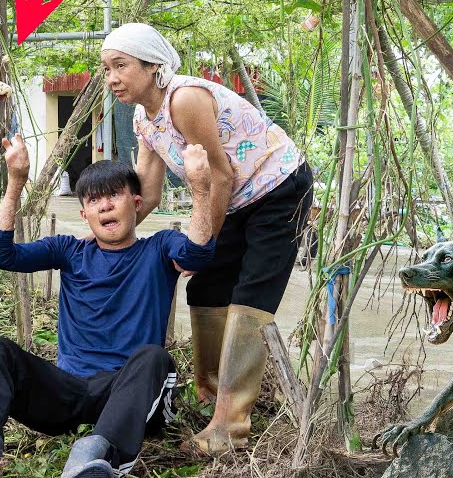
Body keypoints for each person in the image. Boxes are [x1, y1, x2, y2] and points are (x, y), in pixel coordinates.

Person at [0, 134, 218, 478]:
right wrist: (16, 181)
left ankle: (91, 461)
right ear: (84, 212)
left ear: (136, 203)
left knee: (155, 358)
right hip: (69, 391)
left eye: (114, 195)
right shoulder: (69, 251)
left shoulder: (159, 248)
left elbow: (197, 254)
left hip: (129, 395)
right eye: (94, 200)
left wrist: (201, 188)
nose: (104, 206)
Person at [100, 22, 314, 455]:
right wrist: (115, 235)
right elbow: (148, 188)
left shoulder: (185, 99)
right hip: (234, 198)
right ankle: (210, 394)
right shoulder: (145, 118)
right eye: (106, 69)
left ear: (152, 66)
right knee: (207, 286)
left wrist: (203, 245)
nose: (112, 79)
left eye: (120, 66)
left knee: (251, 295)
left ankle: (229, 426)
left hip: (278, 188)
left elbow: (220, 172)